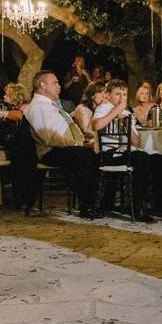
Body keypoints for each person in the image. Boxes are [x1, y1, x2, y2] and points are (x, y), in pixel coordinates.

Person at [23, 71, 102, 219]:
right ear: (42, 85)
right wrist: (77, 144)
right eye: (55, 83)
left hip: (62, 148)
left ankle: (96, 202)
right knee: (85, 155)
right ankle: (87, 206)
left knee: (95, 154)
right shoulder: (38, 106)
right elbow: (47, 137)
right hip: (50, 151)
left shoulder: (49, 105)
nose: (59, 86)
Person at [92, 80, 162, 221]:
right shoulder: (103, 108)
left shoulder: (127, 113)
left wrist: (125, 124)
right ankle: (137, 206)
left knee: (160, 160)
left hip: (127, 151)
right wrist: (115, 112)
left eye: (124, 94)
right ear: (108, 95)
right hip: (108, 153)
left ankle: (160, 206)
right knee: (141, 158)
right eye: (117, 94)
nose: (121, 98)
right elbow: (96, 125)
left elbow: (136, 141)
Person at [71, 81, 106, 146]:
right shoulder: (82, 108)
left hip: (98, 143)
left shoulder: (100, 109)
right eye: (100, 92)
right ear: (92, 95)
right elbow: (88, 132)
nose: (104, 96)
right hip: (85, 146)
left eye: (105, 92)